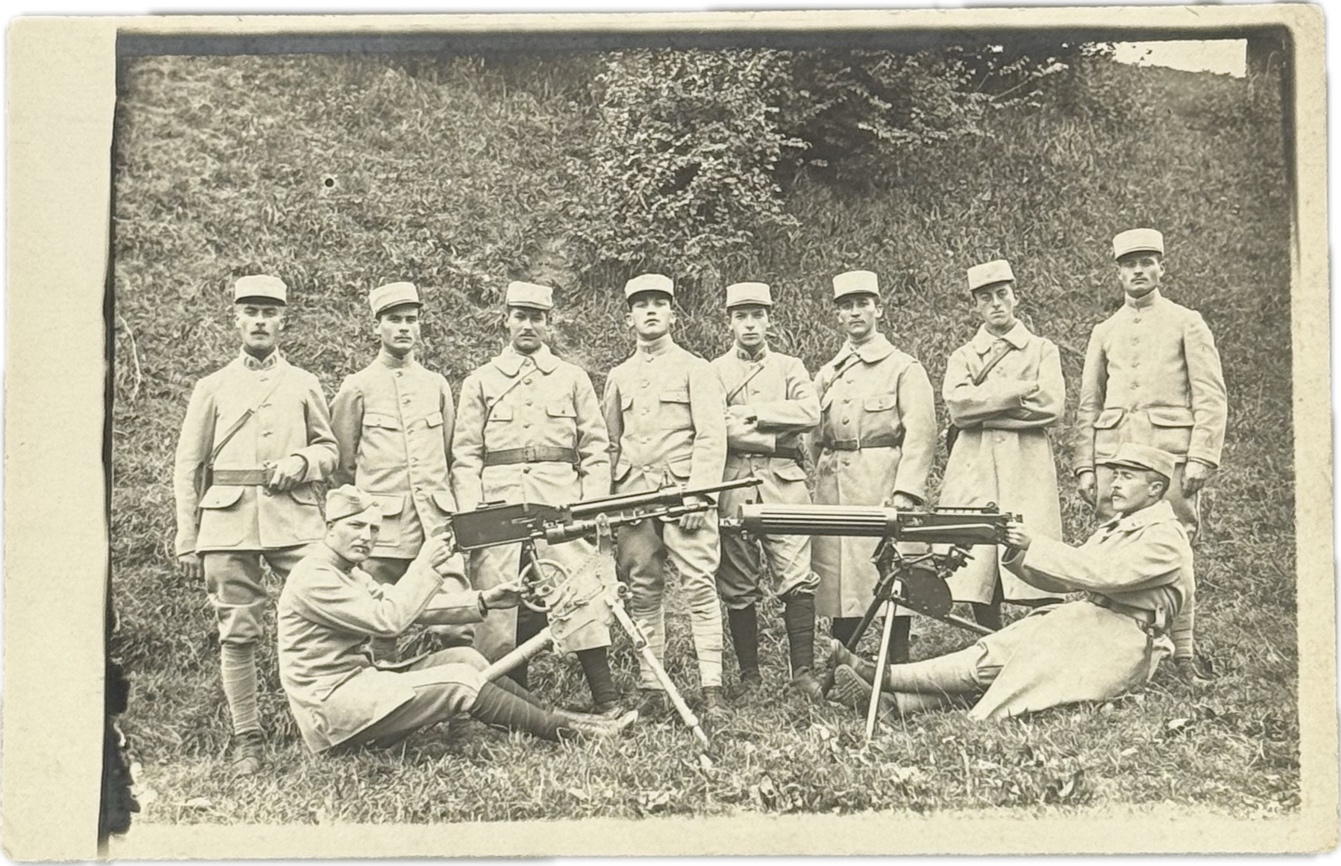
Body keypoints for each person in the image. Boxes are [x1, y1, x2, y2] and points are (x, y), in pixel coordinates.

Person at [830, 443, 1194, 722]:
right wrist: (1018, 551)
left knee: (1015, 672)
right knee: (995, 655)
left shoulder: (1164, 537)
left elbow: (1098, 572)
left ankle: (879, 675)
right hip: (1093, 626)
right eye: (1114, 475)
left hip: (1123, 643)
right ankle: (893, 701)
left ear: (1155, 488)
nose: (1113, 484)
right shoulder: (1121, 527)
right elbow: (1068, 577)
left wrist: (1033, 543)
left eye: (1126, 477)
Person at [278, 486, 636, 755]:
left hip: (357, 688)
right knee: (460, 682)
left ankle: (579, 720)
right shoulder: (315, 576)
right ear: (329, 526)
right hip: (331, 711)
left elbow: (404, 606)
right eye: (356, 526)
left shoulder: (345, 571)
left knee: (464, 659)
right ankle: (574, 732)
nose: (366, 536)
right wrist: (423, 565)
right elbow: (387, 620)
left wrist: (482, 600)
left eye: (373, 529)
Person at [172, 274, 339, 775]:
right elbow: (188, 464)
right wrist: (188, 534)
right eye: (252, 312)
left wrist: (303, 463)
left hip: (295, 519)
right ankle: (249, 738)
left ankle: (332, 721)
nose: (261, 321)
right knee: (237, 632)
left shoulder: (304, 382)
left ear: (283, 321)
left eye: (270, 312)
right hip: (227, 522)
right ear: (237, 320)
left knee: (328, 610)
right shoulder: (213, 387)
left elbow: (330, 450)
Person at [451, 280, 620, 713]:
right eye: (520, 316)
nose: (528, 325)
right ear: (505, 320)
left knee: (579, 588)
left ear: (549, 323)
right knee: (501, 601)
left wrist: (588, 504)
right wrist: (472, 514)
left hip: (558, 503)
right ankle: (508, 706)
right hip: (499, 505)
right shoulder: (482, 381)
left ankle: (606, 698)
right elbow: (466, 454)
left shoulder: (572, 378)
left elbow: (597, 449)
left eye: (537, 318)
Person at [1075, 228, 1226, 670]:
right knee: (1112, 546)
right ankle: (1114, 647)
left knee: (1175, 544)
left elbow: (1211, 396)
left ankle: (1183, 651)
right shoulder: (1105, 330)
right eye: (1129, 264)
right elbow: (1089, 404)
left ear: (1162, 267)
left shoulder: (1186, 321)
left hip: (1170, 456)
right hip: (1115, 455)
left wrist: (1201, 455)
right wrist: (1086, 465)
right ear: (1117, 273)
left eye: (1146, 262)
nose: (1138, 271)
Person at [602, 272, 729, 722]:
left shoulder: (698, 369)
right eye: (641, 305)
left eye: (659, 303)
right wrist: (608, 501)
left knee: (699, 585)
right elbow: (609, 443)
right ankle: (651, 687)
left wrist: (699, 496)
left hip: (684, 497)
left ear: (673, 313)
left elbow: (712, 437)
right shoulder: (618, 376)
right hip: (634, 498)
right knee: (643, 590)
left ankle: (711, 690)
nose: (651, 311)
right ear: (629, 317)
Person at [330, 281, 466, 663]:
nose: (404, 327)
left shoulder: (436, 385)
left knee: (456, 620)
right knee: (380, 623)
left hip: (435, 526)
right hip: (382, 531)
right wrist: (371, 504)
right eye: (394, 320)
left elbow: (449, 452)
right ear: (377, 326)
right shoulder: (357, 387)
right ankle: (386, 708)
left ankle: (459, 720)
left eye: (411, 319)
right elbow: (343, 464)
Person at [810, 269, 937, 665]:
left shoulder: (902, 367)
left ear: (878, 309)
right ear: (837, 316)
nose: (855, 313)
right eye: (846, 306)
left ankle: (896, 664)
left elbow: (921, 433)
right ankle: (844, 660)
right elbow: (812, 436)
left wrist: (905, 492)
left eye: (862, 304)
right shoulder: (828, 373)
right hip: (834, 485)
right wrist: (823, 475)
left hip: (882, 481)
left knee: (888, 571)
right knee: (838, 574)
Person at [708, 281, 824, 702]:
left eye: (757, 315)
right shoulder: (714, 371)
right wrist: (777, 439)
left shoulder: (790, 367)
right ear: (730, 323)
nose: (750, 324)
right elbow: (714, 427)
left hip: (784, 486)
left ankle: (803, 673)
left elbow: (809, 413)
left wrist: (752, 414)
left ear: (769, 320)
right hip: (734, 485)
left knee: (796, 577)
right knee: (737, 582)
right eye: (741, 316)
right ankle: (749, 675)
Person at [940, 259, 1065, 630]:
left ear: (1015, 297)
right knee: (980, 550)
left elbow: (1050, 408)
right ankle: (988, 638)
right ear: (976, 305)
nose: (995, 303)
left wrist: (983, 408)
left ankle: (1041, 639)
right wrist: (1017, 392)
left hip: (1026, 462)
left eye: (1001, 294)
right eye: (985, 297)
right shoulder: (963, 356)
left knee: (1032, 543)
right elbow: (957, 407)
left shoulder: (1042, 350)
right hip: (974, 462)